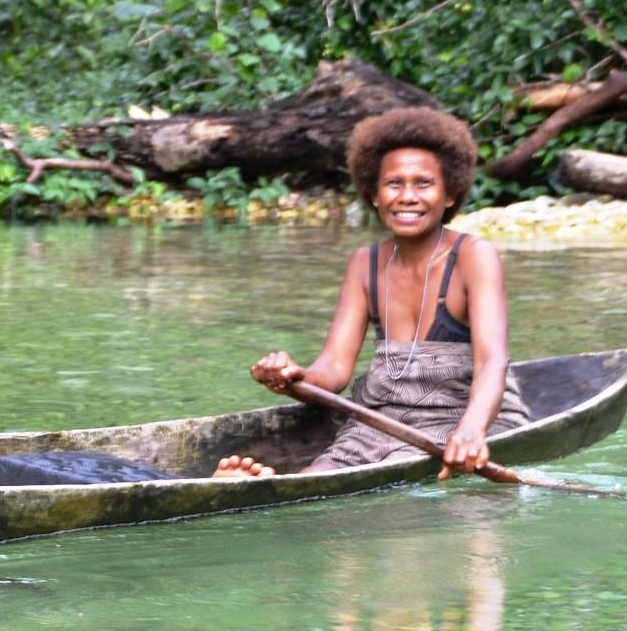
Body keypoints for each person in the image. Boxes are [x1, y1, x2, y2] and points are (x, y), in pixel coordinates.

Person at [215, 107, 529, 479]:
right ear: (375, 195)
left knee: (391, 476)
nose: (407, 196)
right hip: (382, 420)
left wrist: (472, 432)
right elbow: (333, 370)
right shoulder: (365, 264)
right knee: (321, 473)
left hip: (462, 419)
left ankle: (286, 488)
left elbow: (493, 361)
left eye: (424, 184)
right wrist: (291, 377)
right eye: (394, 184)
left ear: (450, 195)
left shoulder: (475, 256)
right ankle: (281, 484)